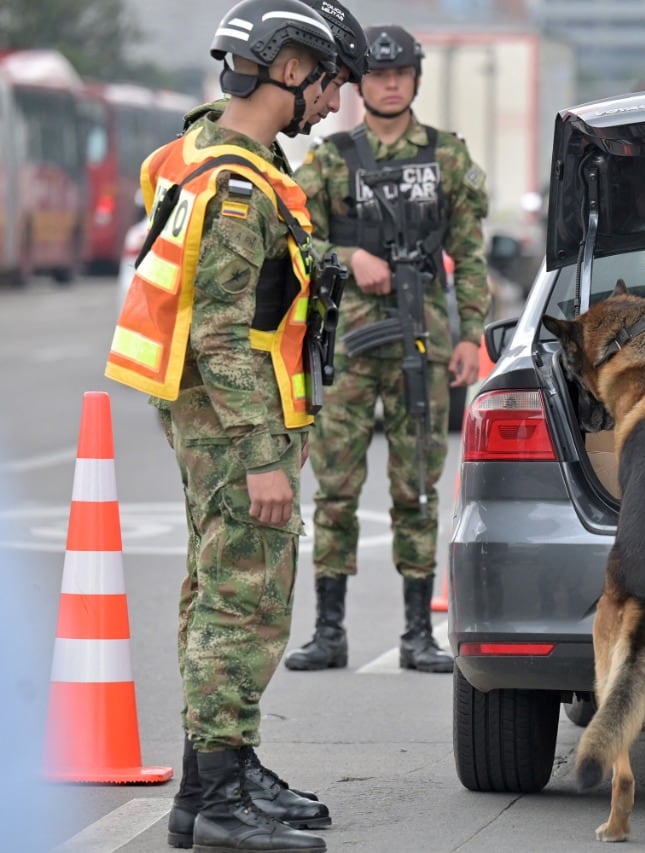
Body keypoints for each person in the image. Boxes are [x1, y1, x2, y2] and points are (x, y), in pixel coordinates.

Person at [105, 1, 345, 850]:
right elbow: (220, 331)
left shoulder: (200, 150)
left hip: (203, 412)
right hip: (233, 418)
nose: (335, 101)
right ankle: (218, 801)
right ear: (290, 70)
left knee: (218, 591)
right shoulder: (239, 187)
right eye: (330, 82)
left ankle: (215, 778)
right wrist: (260, 456)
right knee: (241, 604)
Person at [285, 24, 491, 674]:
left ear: (416, 80)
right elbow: (296, 238)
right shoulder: (330, 159)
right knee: (335, 488)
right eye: (377, 74)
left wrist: (471, 336)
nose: (391, 83)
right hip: (348, 344)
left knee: (417, 489)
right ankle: (329, 631)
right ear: (359, 85)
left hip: (423, 344)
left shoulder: (446, 157)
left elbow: (471, 255)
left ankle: (417, 633)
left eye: (401, 72)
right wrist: (351, 258)